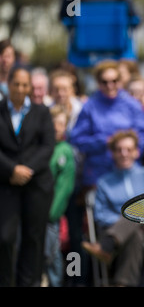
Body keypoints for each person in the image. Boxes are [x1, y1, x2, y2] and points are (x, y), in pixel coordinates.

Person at [68, 60, 144, 285]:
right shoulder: (91, 106)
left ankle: (107, 247)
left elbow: (142, 134)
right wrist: (102, 142)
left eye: (115, 81)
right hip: (100, 177)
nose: (110, 85)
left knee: (137, 212)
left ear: (120, 81)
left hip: (130, 175)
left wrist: (127, 154)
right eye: (105, 82)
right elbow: (77, 138)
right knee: (121, 226)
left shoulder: (131, 105)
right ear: (98, 83)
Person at [81, 130, 144, 287]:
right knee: (135, 236)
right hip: (122, 233)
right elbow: (101, 214)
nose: (124, 154)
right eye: (119, 150)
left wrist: (131, 217)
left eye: (129, 149)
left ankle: (106, 245)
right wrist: (123, 222)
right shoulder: (105, 182)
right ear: (112, 154)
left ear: (137, 152)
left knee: (137, 210)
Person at [0, 67, 55, 286]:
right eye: (17, 84)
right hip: (6, 183)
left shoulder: (41, 112)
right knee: (4, 237)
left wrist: (26, 169)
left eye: (25, 85)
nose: (21, 89)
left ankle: (29, 282)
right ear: (9, 85)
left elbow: (47, 146)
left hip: (36, 184)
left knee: (34, 239)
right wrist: (11, 170)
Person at [43, 105, 76, 287]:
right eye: (54, 122)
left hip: (50, 215)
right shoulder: (41, 147)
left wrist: (51, 213)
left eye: (61, 123)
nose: (56, 127)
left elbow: (64, 188)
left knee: (52, 254)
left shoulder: (65, 151)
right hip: (35, 211)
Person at [48, 68, 83, 135]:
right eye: (56, 89)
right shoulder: (46, 112)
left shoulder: (81, 110)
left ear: (72, 90)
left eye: (64, 89)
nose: (60, 93)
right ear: (51, 91)